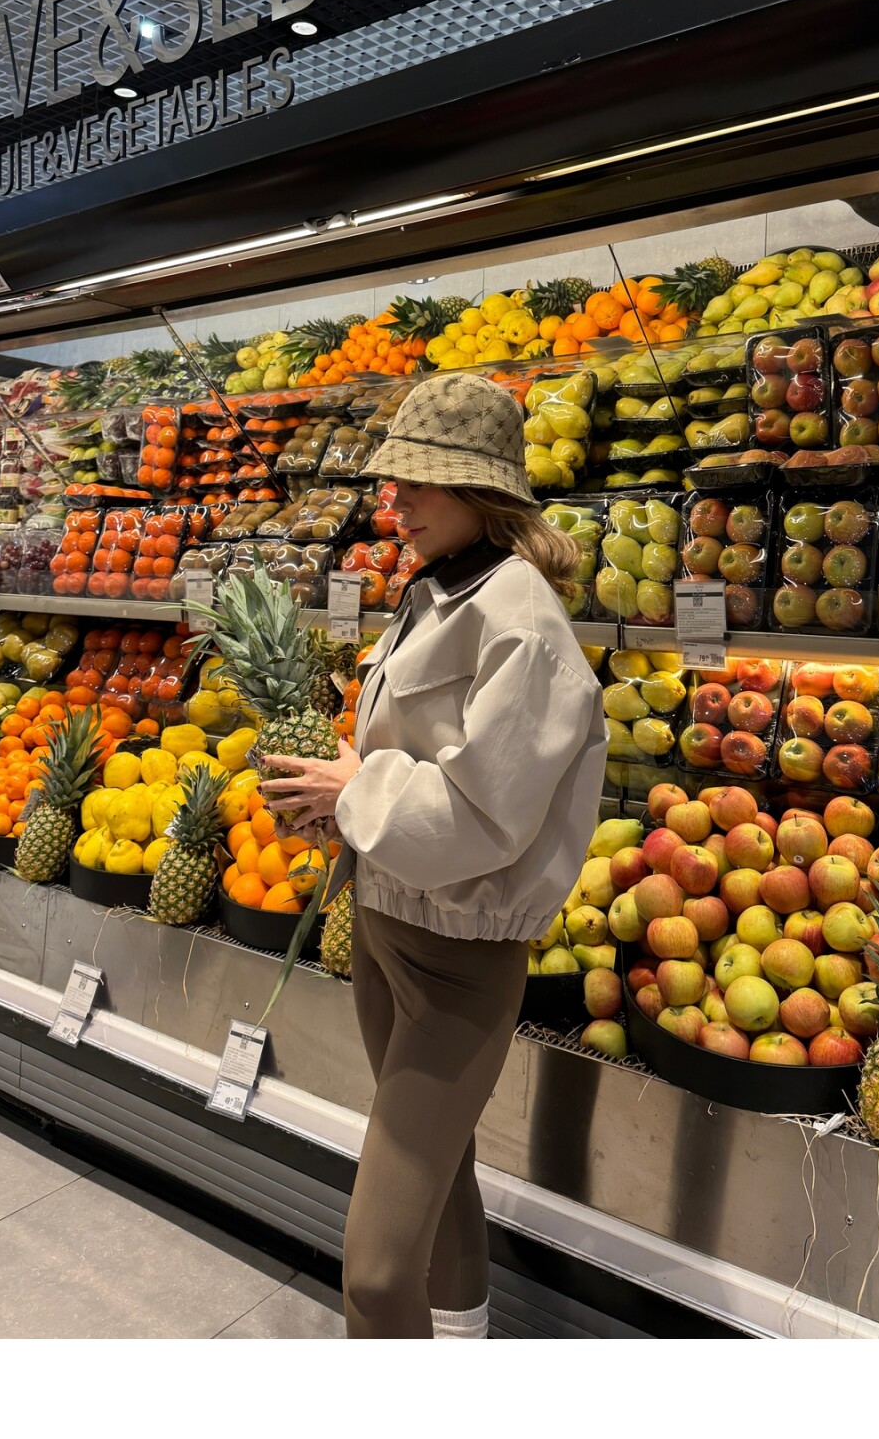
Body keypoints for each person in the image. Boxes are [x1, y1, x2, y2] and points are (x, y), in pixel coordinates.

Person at [259, 373, 607, 1340]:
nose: (395, 500)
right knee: (443, 1179)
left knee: (375, 1275)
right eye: (395, 479)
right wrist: (340, 788)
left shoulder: (521, 625)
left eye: (418, 481)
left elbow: (482, 816)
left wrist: (354, 791)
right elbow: (423, 761)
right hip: (387, 928)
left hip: (457, 958)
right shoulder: (444, 590)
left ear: (478, 489)